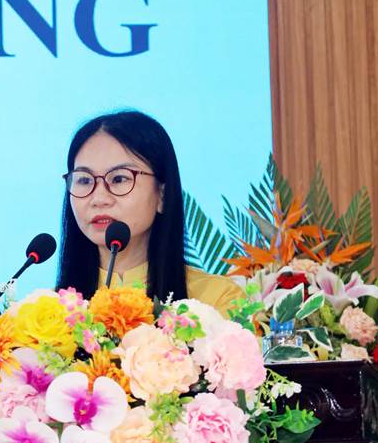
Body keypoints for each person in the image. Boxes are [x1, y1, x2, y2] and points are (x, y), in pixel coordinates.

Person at [55, 110, 243, 314]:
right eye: (84, 180)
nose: (99, 199)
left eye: (119, 179)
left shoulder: (216, 302)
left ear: (162, 195)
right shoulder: (47, 314)